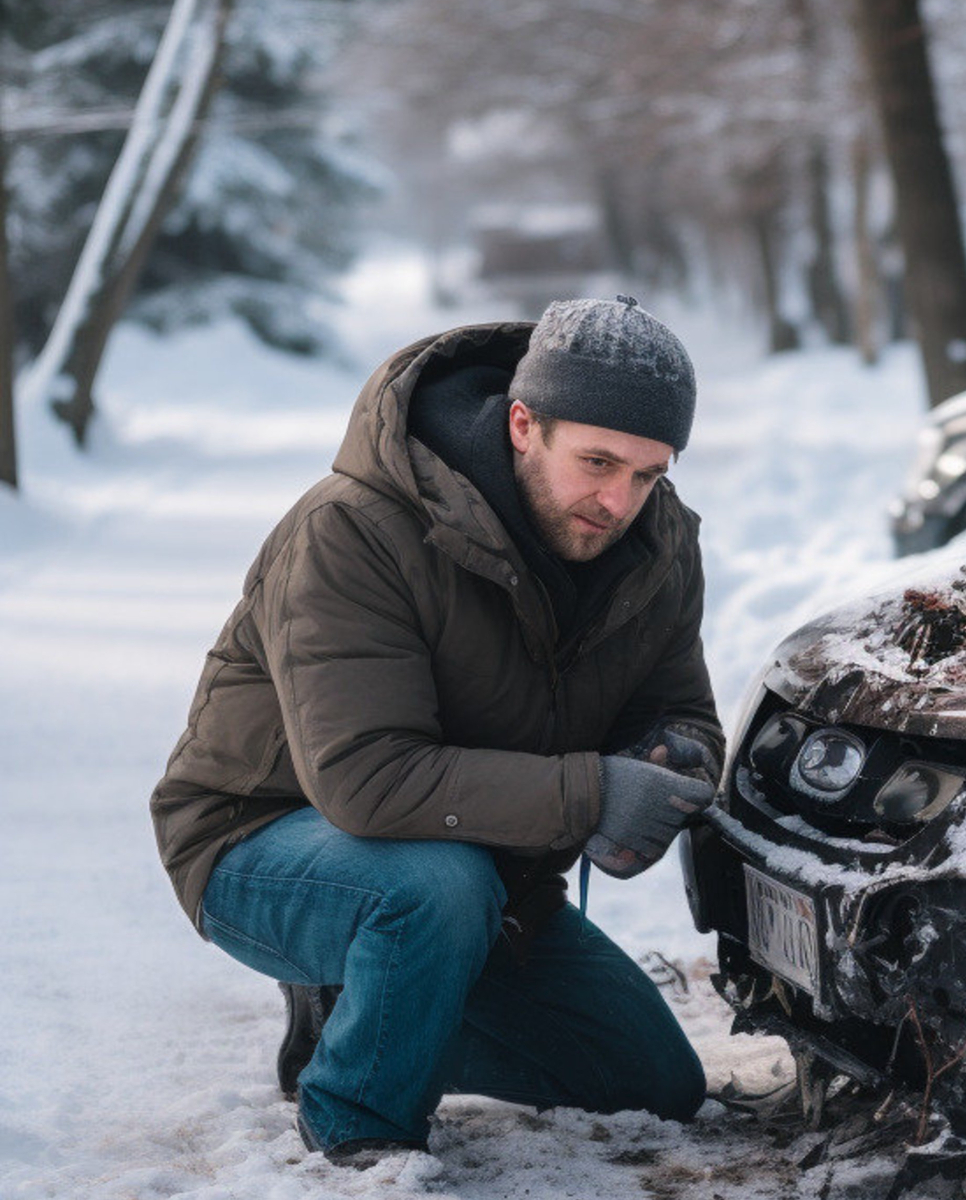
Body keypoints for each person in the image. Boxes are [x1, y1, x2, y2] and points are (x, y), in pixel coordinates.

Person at [149, 296, 724, 1166]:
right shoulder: (354, 529)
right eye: (598, 463)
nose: (619, 501)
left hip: (487, 875)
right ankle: (358, 1124)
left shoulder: (658, 546)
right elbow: (366, 780)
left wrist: (668, 760)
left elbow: (682, 705)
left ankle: (360, 1010)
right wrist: (592, 794)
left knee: (654, 1082)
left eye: (648, 474)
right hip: (263, 837)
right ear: (524, 424)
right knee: (430, 889)